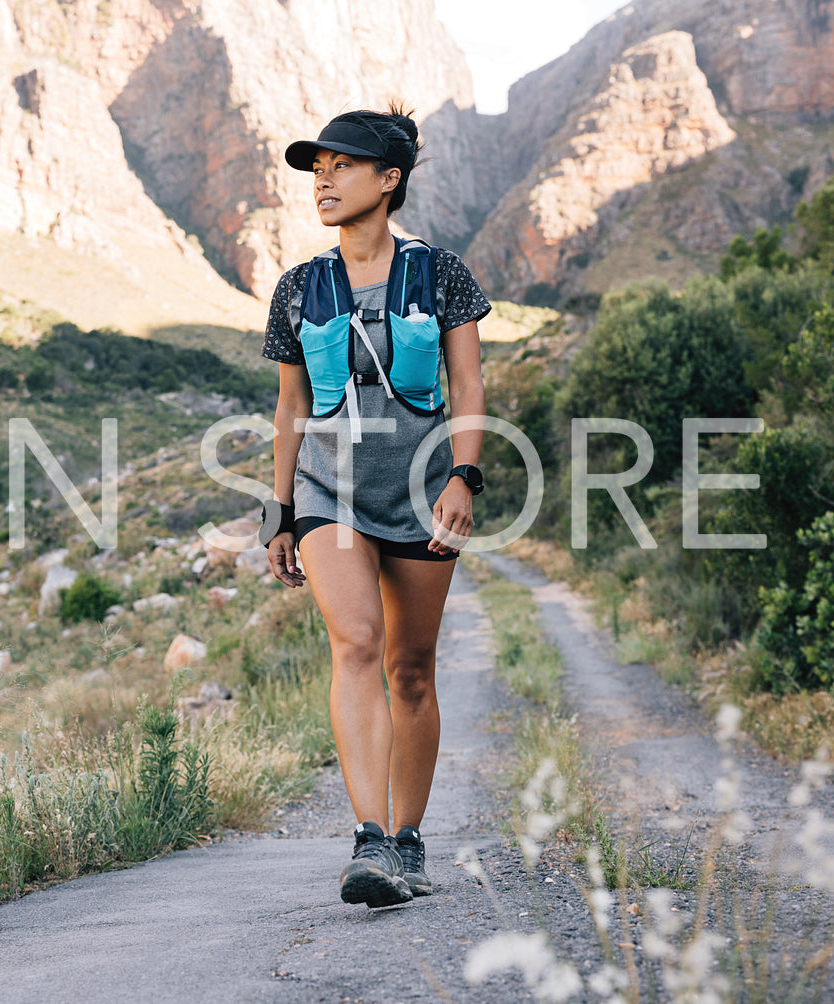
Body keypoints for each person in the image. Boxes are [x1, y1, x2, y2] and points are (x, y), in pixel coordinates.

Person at [258, 104, 490, 908]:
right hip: (331, 495)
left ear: (388, 180)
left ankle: (410, 844)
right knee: (355, 642)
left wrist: (464, 475)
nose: (322, 178)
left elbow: (467, 383)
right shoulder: (299, 287)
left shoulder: (441, 273)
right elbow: (290, 409)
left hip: (424, 492)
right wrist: (279, 511)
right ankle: (369, 842)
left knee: (411, 670)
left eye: (342, 164)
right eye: (316, 166)